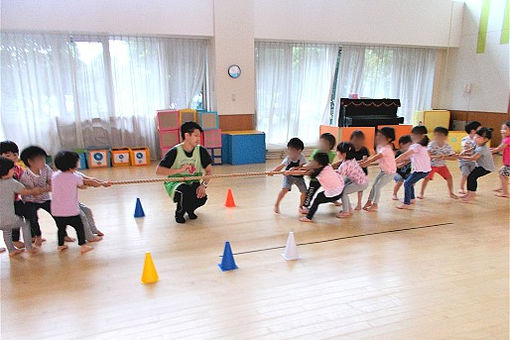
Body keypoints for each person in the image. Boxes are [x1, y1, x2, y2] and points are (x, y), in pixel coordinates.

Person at [156, 122, 213, 224]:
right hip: (175, 183)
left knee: (202, 197)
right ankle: (179, 213)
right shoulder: (174, 151)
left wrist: (203, 186)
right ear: (187, 135)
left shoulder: (201, 151)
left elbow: (209, 171)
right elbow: (159, 171)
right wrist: (180, 170)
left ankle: (189, 209)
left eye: (199, 136)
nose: (198, 139)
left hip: (192, 182)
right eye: (196, 136)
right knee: (185, 192)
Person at [51, 150, 93, 253]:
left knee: (61, 229)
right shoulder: (75, 177)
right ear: (72, 166)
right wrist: (88, 184)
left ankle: (60, 245)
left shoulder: (54, 176)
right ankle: (83, 246)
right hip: (71, 210)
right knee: (79, 228)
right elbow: (82, 186)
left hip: (57, 211)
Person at [0, 156, 41, 257]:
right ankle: (29, 247)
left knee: (7, 230)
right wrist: (34, 191)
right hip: (8, 217)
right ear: (8, 171)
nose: (14, 170)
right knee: (25, 224)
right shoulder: (11, 182)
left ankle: (11, 250)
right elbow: (25, 191)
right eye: (12, 169)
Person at [359, 127, 397, 212]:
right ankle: (369, 201)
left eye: (381, 136)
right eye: (378, 135)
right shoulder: (379, 147)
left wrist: (366, 163)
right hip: (383, 171)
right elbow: (373, 157)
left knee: (377, 186)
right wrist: (365, 161)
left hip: (390, 172)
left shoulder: (386, 149)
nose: (378, 138)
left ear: (389, 139)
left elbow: (376, 157)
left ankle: (375, 204)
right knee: (374, 185)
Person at [299, 153, 344, 222]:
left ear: (320, 165)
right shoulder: (328, 166)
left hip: (335, 194)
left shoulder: (319, 173)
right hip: (340, 191)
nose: (312, 162)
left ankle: (308, 217)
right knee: (325, 192)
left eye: (314, 161)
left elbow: (302, 172)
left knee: (317, 200)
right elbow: (308, 167)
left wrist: (289, 172)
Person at [395, 126, 431, 209]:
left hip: (421, 171)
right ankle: (412, 198)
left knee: (407, 183)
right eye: (412, 135)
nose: (412, 137)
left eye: (415, 135)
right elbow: (410, 158)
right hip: (422, 170)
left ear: (422, 136)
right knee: (409, 182)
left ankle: (406, 203)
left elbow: (404, 155)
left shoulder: (417, 146)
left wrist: (393, 161)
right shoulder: (420, 147)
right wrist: (402, 162)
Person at [419, 127, 458, 199]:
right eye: (436, 135)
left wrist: (445, 157)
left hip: (442, 166)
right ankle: (421, 193)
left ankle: (451, 193)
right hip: (431, 166)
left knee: (449, 178)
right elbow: (428, 155)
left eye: (440, 135)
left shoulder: (447, 146)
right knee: (426, 178)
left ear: (445, 137)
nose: (437, 137)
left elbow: (454, 157)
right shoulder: (432, 144)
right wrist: (437, 157)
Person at [301, 133, 337, 211]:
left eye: (324, 143)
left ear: (330, 145)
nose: (321, 144)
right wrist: (306, 169)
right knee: (311, 192)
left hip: (325, 177)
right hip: (315, 178)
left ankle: (333, 199)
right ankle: (305, 205)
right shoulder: (316, 152)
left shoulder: (332, 154)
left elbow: (330, 165)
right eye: (321, 142)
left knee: (330, 189)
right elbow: (311, 162)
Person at [271, 138, 307, 214]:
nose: (290, 152)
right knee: (285, 189)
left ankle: (301, 207)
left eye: (292, 150)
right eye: (289, 150)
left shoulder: (301, 157)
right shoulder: (288, 158)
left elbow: (302, 167)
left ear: (299, 151)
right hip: (289, 177)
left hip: (299, 177)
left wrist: (295, 169)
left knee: (304, 192)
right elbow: (281, 166)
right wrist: (273, 171)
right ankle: (276, 204)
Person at [458, 127, 495, 202]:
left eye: (478, 137)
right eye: (476, 136)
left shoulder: (483, 149)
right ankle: (469, 193)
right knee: (470, 177)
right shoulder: (477, 144)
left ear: (486, 140)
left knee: (472, 177)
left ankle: (471, 194)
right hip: (480, 166)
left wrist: (460, 156)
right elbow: (471, 149)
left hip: (486, 168)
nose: (475, 138)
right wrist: (464, 152)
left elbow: (473, 158)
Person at [0, 140, 25, 248]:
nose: (12, 157)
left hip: (15, 200)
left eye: (15, 154)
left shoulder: (18, 168)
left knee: (18, 217)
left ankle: (15, 239)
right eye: (7, 155)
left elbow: (24, 181)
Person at [335, 142, 368, 218]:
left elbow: (339, 175)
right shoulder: (351, 160)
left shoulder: (344, 165)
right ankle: (348, 209)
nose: (336, 153)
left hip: (360, 183)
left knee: (343, 193)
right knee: (344, 191)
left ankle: (346, 211)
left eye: (337, 151)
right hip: (362, 181)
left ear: (343, 154)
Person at [458, 121, 481, 194]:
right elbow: (465, 146)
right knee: (465, 174)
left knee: (472, 176)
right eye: (479, 129)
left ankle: (471, 189)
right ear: (473, 131)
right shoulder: (466, 139)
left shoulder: (478, 140)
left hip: (473, 161)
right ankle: (461, 188)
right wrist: (467, 147)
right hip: (464, 161)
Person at [350, 130, 370, 210]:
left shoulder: (364, 149)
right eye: (355, 140)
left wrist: (360, 162)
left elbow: (365, 160)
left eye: (359, 140)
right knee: (345, 185)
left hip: (362, 173)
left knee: (360, 189)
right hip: (351, 172)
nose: (357, 142)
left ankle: (359, 203)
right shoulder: (350, 149)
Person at [491, 121, 510, 198]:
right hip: (507, 162)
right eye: (502, 129)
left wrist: (490, 151)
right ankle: (502, 187)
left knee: (502, 175)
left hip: (509, 163)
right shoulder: (506, 139)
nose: (502, 131)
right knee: (502, 173)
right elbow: (499, 147)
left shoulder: (507, 140)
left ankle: (505, 192)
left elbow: (499, 148)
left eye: (505, 129)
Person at [392, 135, 412, 200]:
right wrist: (402, 164)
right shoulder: (398, 153)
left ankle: (410, 195)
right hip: (397, 172)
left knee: (412, 180)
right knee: (400, 181)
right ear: (402, 144)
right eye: (408, 145)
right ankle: (394, 194)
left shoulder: (410, 153)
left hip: (407, 172)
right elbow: (394, 164)